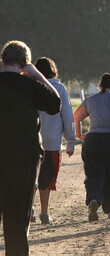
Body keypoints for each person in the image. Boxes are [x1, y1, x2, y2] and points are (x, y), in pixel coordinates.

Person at [0, 41, 60, 256]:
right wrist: (39, 76)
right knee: (18, 219)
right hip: (25, 157)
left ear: (3, 59)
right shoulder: (30, 85)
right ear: (25, 62)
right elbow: (55, 104)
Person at [74, 73, 110, 221]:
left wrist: (79, 133)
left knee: (93, 173)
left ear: (100, 86)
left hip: (93, 139)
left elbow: (76, 117)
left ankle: (94, 200)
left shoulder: (90, 100)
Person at [31, 57, 76, 224]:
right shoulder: (60, 89)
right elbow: (67, 116)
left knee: (31, 177)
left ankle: (31, 209)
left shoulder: (31, 87)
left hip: (32, 140)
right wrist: (70, 141)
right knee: (47, 179)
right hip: (52, 141)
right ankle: (44, 212)